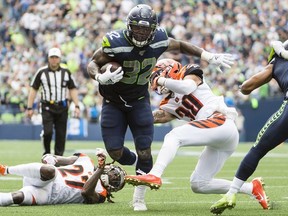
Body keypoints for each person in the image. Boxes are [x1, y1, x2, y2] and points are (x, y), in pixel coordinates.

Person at [87, 4, 234, 211]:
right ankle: (136, 160)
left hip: (139, 100)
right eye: (137, 28)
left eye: (146, 29)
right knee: (116, 152)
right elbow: (93, 63)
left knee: (146, 151)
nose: (141, 32)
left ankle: (139, 198)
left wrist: (207, 56)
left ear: (153, 30)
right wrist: (100, 77)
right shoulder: (115, 41)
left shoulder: (159, 39)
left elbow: (181, 45)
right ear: (129, 26)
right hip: (113, 102)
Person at [124, 59, 268, 211]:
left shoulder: (190, 72)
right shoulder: (168, 102)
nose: (155, 84)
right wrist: (129, 117)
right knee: (199, 184)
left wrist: (160, 79)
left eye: (156, 77)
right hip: (219, 137)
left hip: (221, 122)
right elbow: (157, 117)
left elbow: (186, 87)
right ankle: (252, 188)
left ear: (169, 71)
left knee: (174, 136)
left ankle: (155, 174)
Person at [209, 40, 288, 214]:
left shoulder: (277, 62)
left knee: (257, 149)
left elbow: (246, 87)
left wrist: (276, 62)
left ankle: (231, 193)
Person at [0, 148, 126, 206]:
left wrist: (99, 169)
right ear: (110, 166)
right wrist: (51, 158)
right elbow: (63, 160)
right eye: (114, 174)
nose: (113, 177)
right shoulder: (86, 160)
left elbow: (86, 192)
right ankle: (5, 170)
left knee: (17, 197)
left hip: (48, 197)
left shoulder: (101, 195)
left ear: (113, 189)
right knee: (50, 170)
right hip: (46, 178)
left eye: (116, 180)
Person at [27, 47, 80, 156]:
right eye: (52, 57)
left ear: (60, 59)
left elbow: (72, 88)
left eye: (56, 57)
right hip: (47, 106)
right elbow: (33, 89)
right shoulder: (41, 72)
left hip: (62, 106)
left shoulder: (66, 72)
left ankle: (58, 158)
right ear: (48, 58)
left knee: (61, 135)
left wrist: (77, 105)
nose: (54, 59)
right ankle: (46, 153)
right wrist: (29, 107)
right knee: (48, 132)